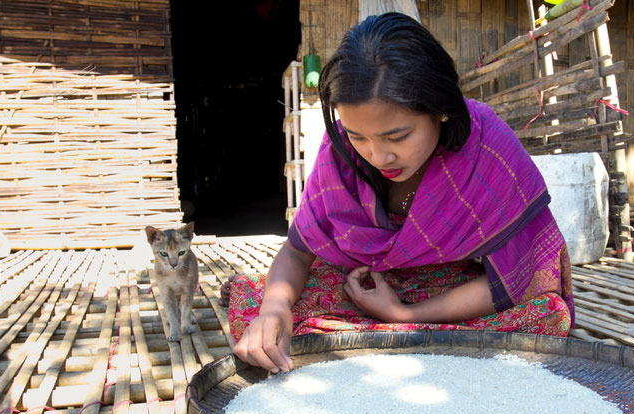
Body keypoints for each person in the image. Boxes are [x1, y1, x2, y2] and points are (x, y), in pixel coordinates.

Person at [220, 12, 574, 374]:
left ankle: (363, 339)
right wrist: (274, 310)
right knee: (255, 301)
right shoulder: (338, 150)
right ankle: (402, 341)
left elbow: (525, 273)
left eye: (398, 136)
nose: (378, 156)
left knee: (545, 314)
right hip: (364, 288)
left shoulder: (488, 149)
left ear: (441, 111)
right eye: (359, 136)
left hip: (450, 294)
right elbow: (297, 249)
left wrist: (404, 314)